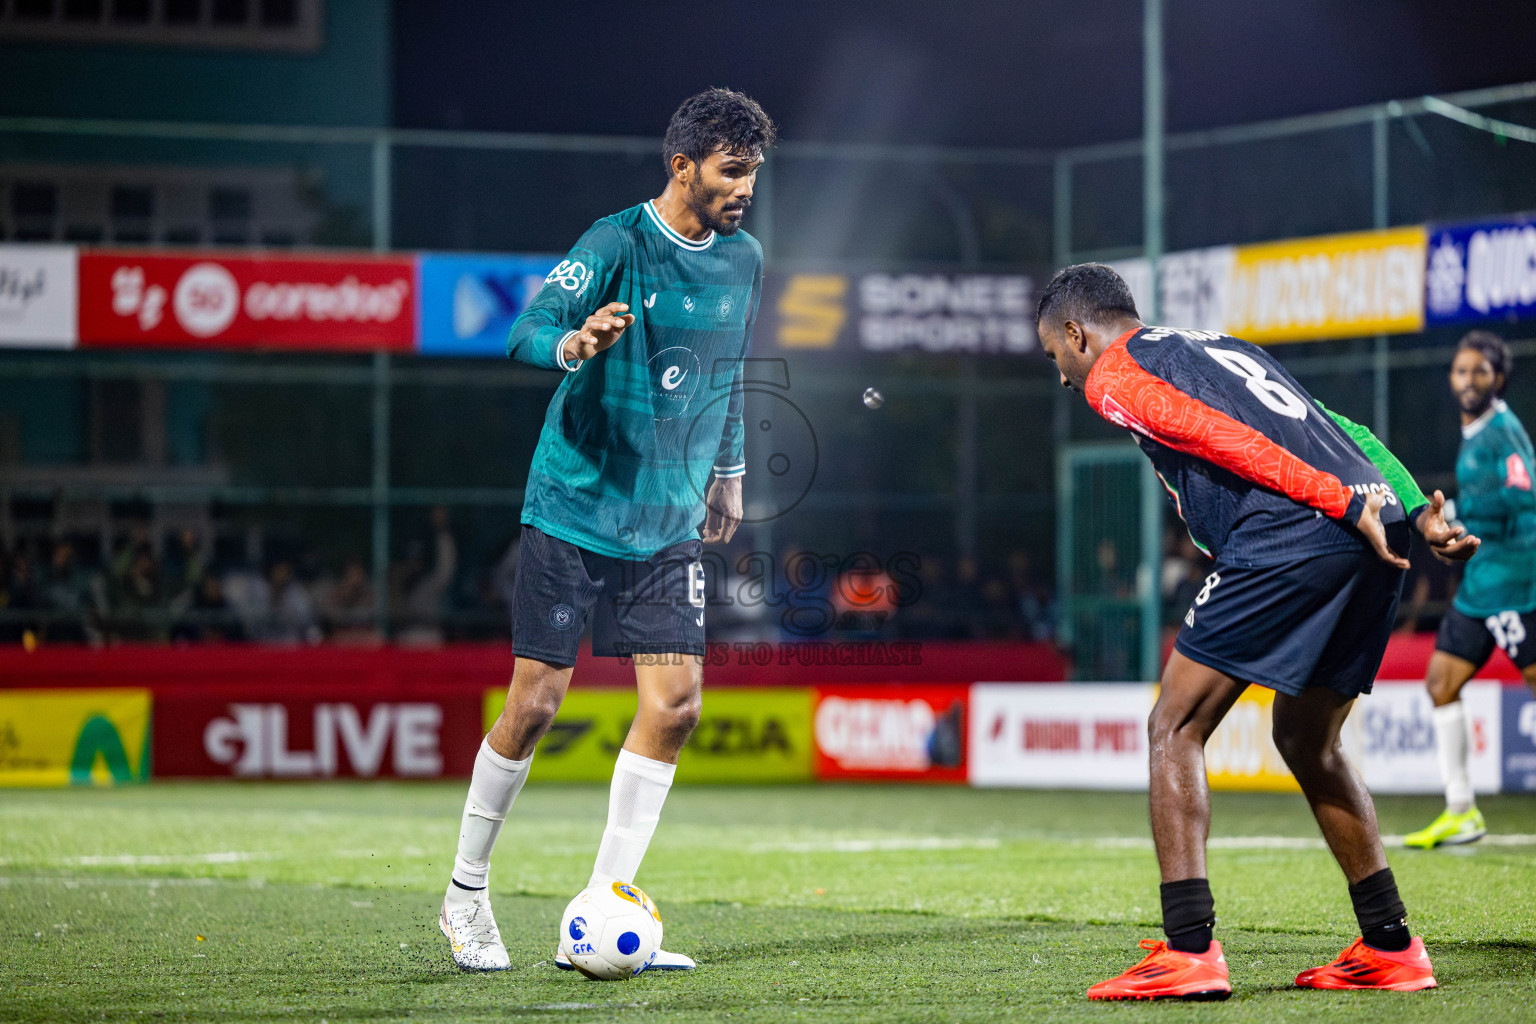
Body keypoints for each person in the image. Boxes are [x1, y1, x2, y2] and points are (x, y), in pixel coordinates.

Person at [1035, 263, 1477, 1000]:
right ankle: (1391, 945)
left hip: (1305, 527)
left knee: (1173, 725)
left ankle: (1188, 952)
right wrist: (1415, 508)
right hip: (1381, 525)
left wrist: (1332, 499)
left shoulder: (1115, 375)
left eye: (1057, 358)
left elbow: (1217, 435)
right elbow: (1347, 428)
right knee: (1307, 737)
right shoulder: (1216, 344)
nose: (1063, 378)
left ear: (1078, 334)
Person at [437, 87, 775, 974]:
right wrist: (573, 345)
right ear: (683, 166)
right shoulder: (615, 240)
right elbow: (525, 330)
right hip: (576, 502)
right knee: (537, 703)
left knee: (676, 707)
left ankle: (601, 911)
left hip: (667, 517)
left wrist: (729, 471)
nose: (746, 188)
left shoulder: (743, 260)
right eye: (732, 170)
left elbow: (728, 372)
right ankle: (465, 894)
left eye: (755, 173)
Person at [1405, 331, 1536, 849]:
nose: (1468, 380)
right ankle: (1461, 811)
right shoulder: (1476, 430)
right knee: (1440, 684)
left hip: (1511, 583)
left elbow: (1525, 504)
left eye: (1479, 371)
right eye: (1461, 370)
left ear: (1497, 378)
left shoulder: (1503, 431)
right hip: (1479, 588)